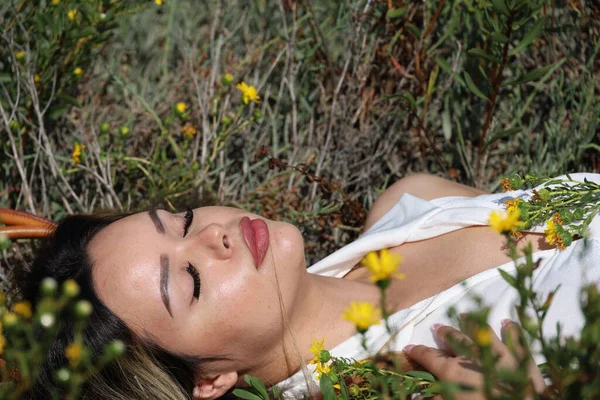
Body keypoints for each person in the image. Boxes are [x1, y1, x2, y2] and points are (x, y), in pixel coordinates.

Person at [15, 172, 600, 399]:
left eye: (183, 221)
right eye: (190, 282)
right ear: (209, 380)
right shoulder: (389, 388)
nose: (215, 235)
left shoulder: (407, 204)